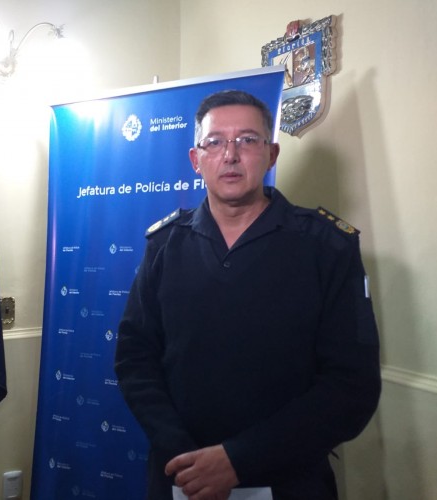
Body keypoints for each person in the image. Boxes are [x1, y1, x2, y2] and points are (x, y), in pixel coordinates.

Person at [114, 90, 381, 500]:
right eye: (215, 142)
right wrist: (184, 455)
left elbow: (351, 385)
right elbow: (135, 358)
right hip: (183, 477)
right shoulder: (165, 246)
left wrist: (237, 460)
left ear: (271, 154)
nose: (231, 155)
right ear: (196, 159)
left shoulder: (326, 247)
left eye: (247, 140)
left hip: (290, 481)